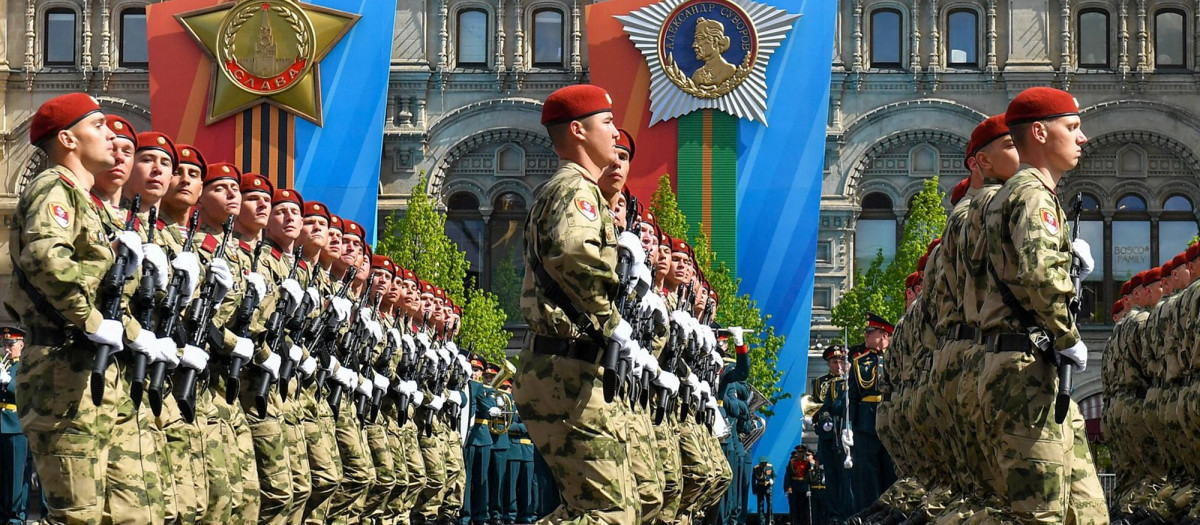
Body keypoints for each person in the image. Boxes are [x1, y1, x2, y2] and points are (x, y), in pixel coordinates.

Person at [515, 83, 669, 525]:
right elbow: (573, 253)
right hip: (564, 371)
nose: (615, 133)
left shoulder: (580, 191)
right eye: (607, 123)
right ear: (578, 131)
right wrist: (612, 320)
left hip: (575, 367)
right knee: (610, 513)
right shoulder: (574, 190)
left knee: (626, 506)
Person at [6, 93, 135, 525]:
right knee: (78, 515)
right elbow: (47, 260)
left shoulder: (85, 200)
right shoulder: (54, 187)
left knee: (111, 512)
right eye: (98, 126)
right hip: (61, 368)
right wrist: (93, 320)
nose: (110, 135)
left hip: (87, 364)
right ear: (67, 139)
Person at [979, 86, 1106, 524]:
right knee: (1041, 513)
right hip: (1026, 370)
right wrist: (1067, 336)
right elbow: (1039, 275)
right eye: (1072, 127)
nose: (1082, 137)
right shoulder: (1032, 194)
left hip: (1032, 365)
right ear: (1039, 132)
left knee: (1085, 511)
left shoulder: (1023, 193)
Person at [847, 313, 895, 511]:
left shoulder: (897, 358)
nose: (866, 335)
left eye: (870, 332)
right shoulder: (859, 362)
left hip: (891, 421)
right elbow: (852, 398)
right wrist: (848, 426)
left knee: (892, 471)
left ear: (884, 335)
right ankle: (868, 513)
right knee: (867, 474)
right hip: (866, 424)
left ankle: (892, 511)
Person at [812, 345, 854, 524]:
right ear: (828, 364)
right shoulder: (822, 382)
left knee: (847, 476)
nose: (838, 365)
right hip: (827, 435)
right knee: (830, 475)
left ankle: (848, 511)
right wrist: (820, 420)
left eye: (841, 361)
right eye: (834, 362)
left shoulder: (850, 379)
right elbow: (817, 406)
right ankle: (834, 514)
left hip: (844, 432)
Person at [0, 327, 28, 525]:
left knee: (16, 475)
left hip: (16, 426)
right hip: (2, 425)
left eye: (11, 344)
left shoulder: (25, 366)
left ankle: (16, 517)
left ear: (22, 345)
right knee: (2, 475)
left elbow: (25, 393)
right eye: (4, 345)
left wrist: (8, 382)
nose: (7, 349)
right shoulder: (5, 365)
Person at [752, 456, 775, 525]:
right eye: (762, 463)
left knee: (770, 504)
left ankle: (770, 520)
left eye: (765, 463)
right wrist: (754, 491)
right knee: (760, 505)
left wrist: (772, 480)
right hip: (760, 487)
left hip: (768, 487)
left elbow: (774, 475)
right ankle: (761, 522)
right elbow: (753, 480)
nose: (764, 465)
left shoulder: (770, 467)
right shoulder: (756, 468)